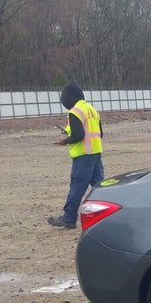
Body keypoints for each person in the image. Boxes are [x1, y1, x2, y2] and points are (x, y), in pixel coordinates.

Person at [48, 81, 104, 229]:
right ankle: (108, 214)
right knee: (101, 187)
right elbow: (99, 133)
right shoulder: (91, 109)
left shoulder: (74, 111)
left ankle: (69, 218)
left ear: (68, 98)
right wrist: (70, 132)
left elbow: (79, 135)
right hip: (96, 152)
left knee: (77, 186)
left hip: (83, 154)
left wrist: (65, 141)